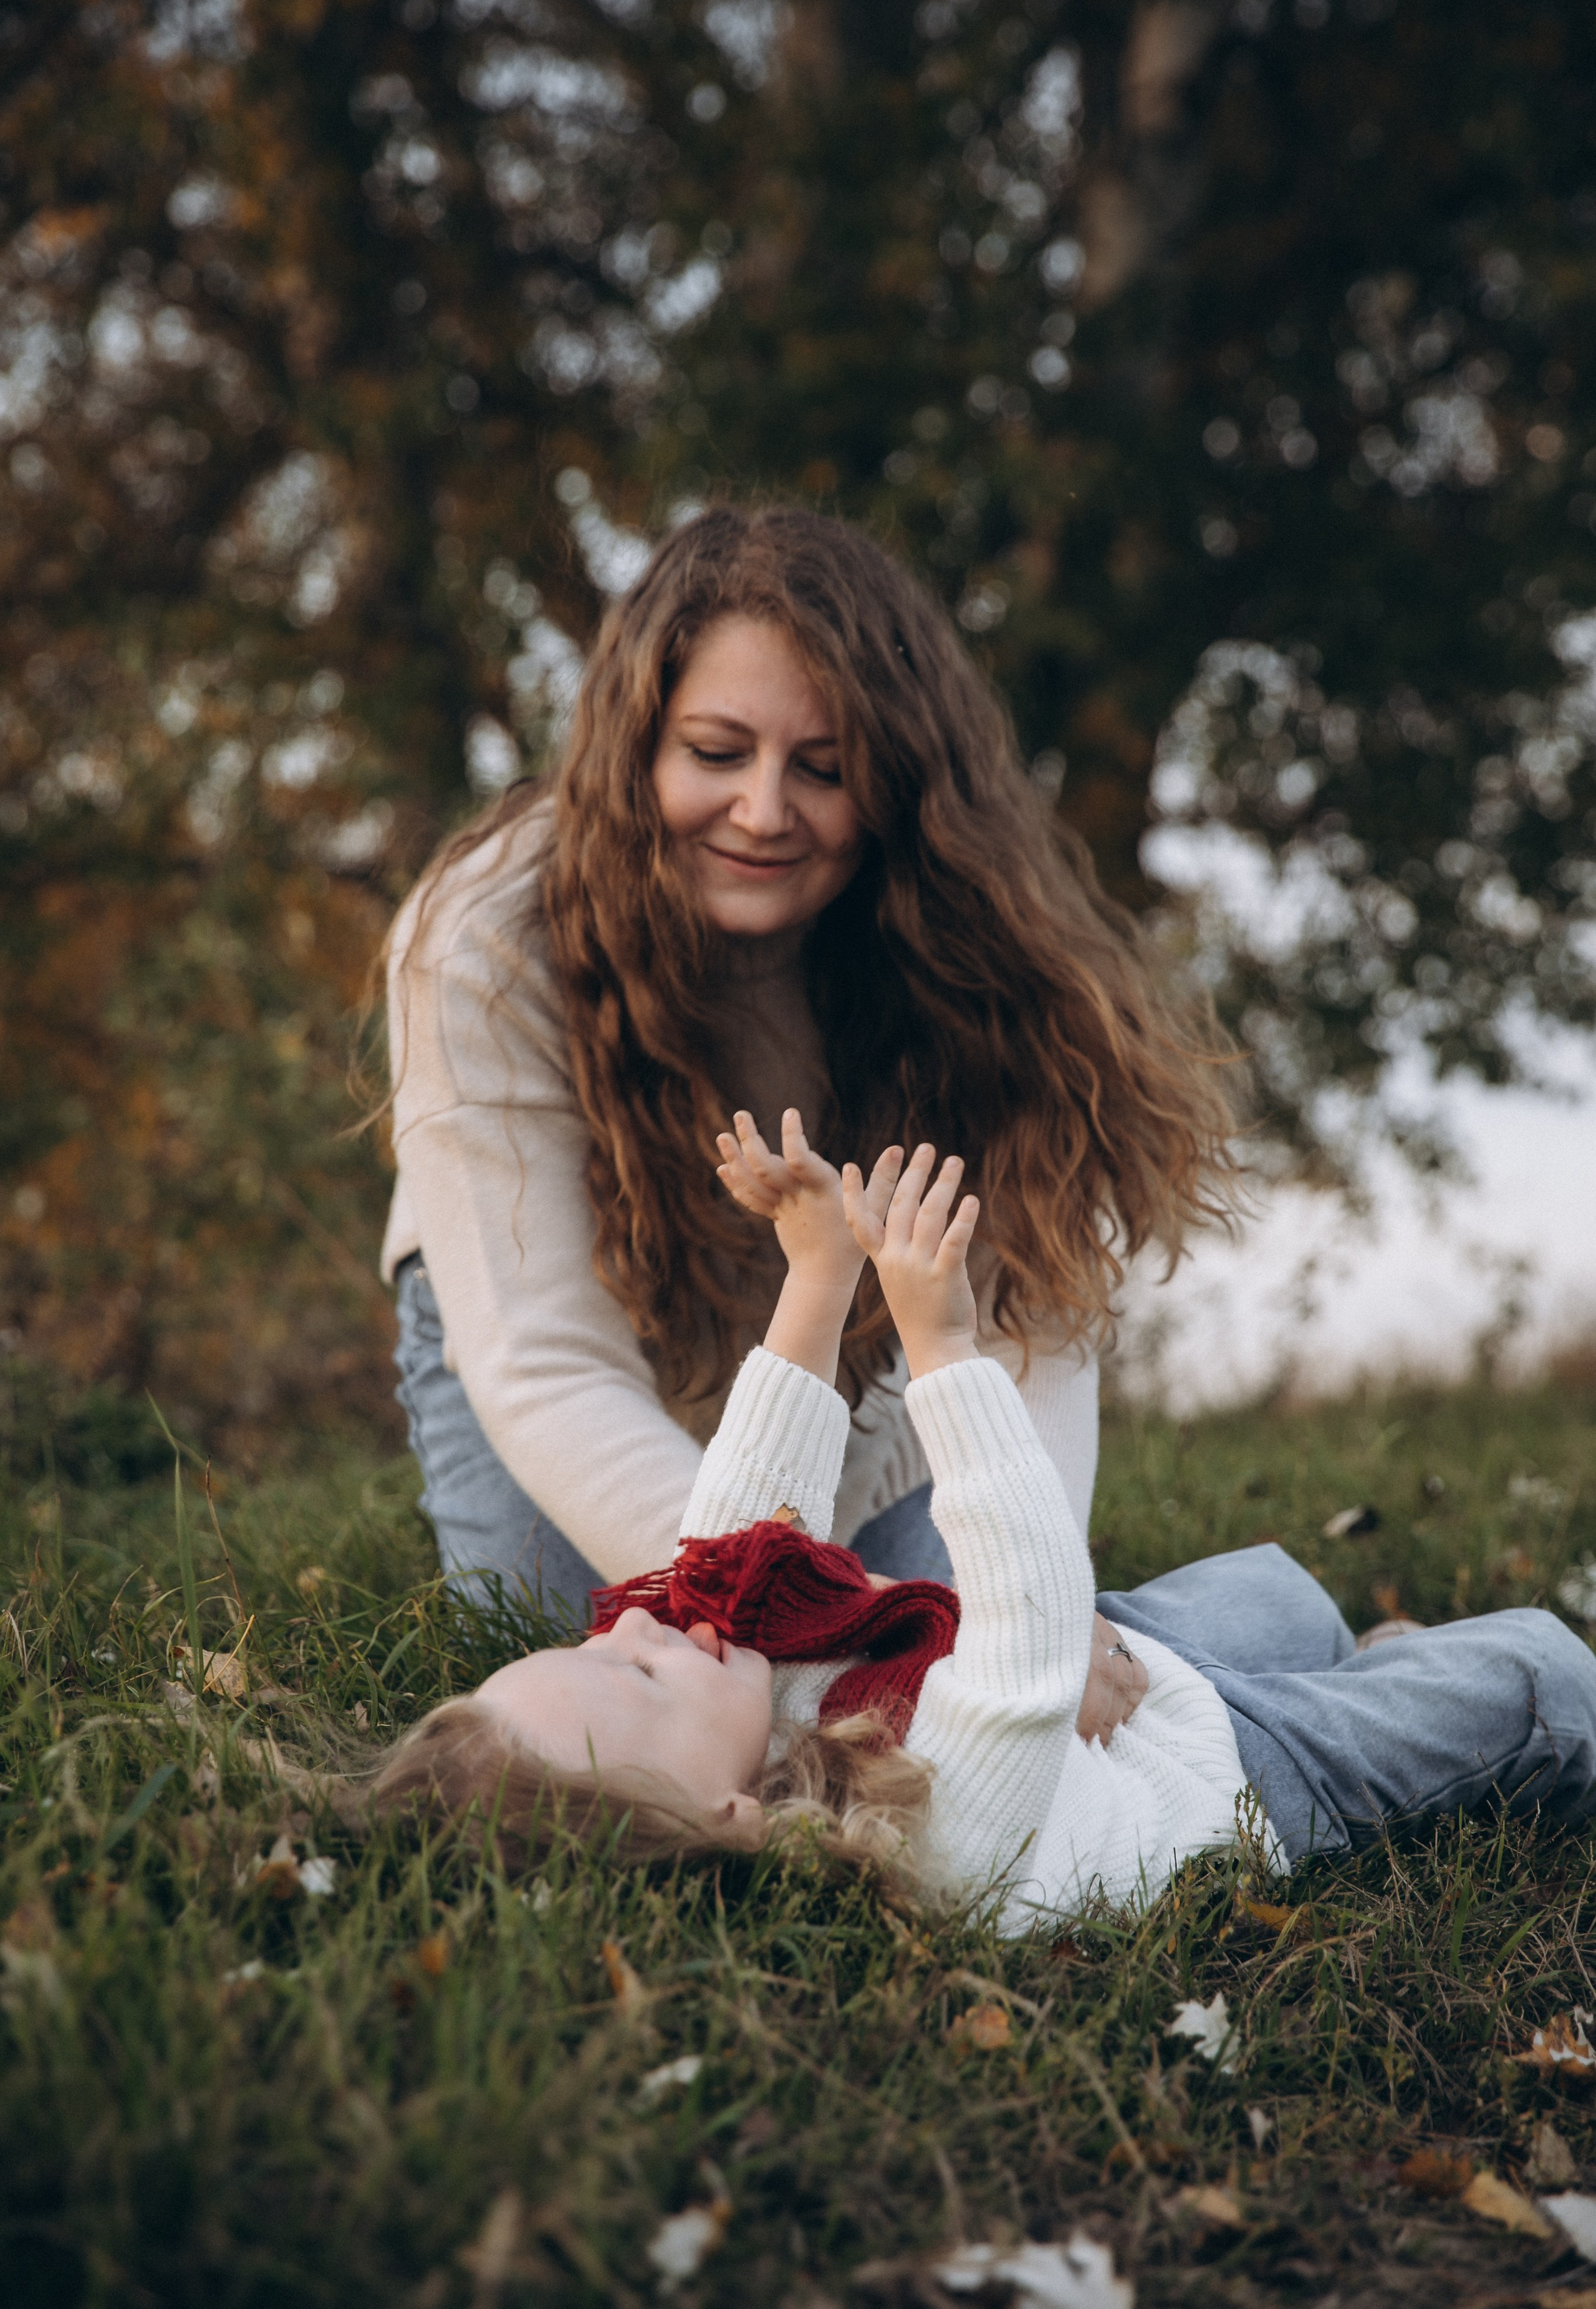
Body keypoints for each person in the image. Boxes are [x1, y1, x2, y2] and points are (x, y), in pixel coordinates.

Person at [357, 1117, 1596, 1927]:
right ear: (728, 1820)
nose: (646, 1630)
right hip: (1234, 1780)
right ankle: (1408, 1681)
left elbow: (747, 1519)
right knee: (1539, 1679)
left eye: (593, 1646)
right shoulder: (929, 1846)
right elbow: (1028, 1620)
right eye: (638, 1674)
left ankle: (1359, 1653)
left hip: (1137, 1683)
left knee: (1277, 1596)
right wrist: (942, 1344)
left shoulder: (726, 1692)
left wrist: (816, 1275)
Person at [382, 505, 1237, 1615]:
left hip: (861, 1377)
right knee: (573, 1659)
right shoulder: (487, 939)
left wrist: (1032, 1612)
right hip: (559, 1344)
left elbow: (1035, 1315)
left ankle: (1316, 1640)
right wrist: (814, 1621)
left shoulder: (976, 949)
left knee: (990, 1662)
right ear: (634, 745)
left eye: (824, 769)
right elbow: (543, 1364)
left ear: (893, 783)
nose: (762, 811)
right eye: (716, 753)